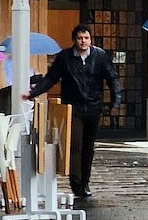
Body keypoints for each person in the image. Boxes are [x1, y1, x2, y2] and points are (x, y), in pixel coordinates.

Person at [24, 25, 121, 198]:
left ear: (91, 40)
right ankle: (76, 183)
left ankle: (85, 181)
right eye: (80, 38)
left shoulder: (99, 56)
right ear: (74, 40)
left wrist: (116, 100)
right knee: (75, 145)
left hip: (93, 106)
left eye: (86, 38)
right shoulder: (65, 57)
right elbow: (51, 78)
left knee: (88, 147)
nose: (83, 41)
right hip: (73, 107)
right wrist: (33, 93)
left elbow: (111, 77)